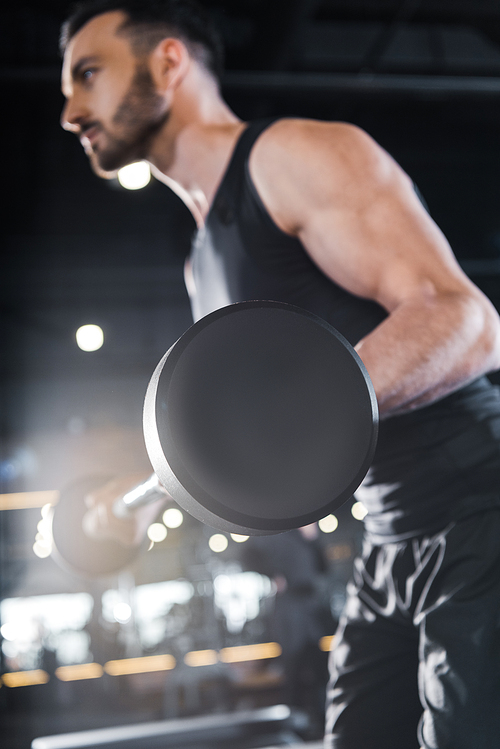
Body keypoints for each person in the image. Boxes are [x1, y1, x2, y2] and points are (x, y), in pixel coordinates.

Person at [59, 2, 500, 747]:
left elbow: (465, 320)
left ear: (169, 63)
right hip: (387, 540)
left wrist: (295, 418)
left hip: (477, 507)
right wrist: (151, 494)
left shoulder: (289, 157)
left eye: (88, 75)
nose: (71, 111)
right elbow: (275, 469)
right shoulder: (202, 260)